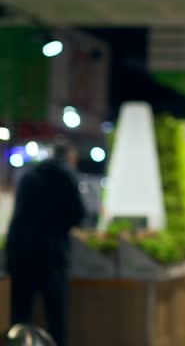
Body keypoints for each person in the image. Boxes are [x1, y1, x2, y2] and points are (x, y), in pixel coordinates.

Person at [5, 138, 85, 346]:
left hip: (20, 255)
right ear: (69, 157)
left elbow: (18, 217)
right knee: (56, 317)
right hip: (51, 255)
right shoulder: (66, 177)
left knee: (20, 316)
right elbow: (78, 215)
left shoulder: (29, 174)